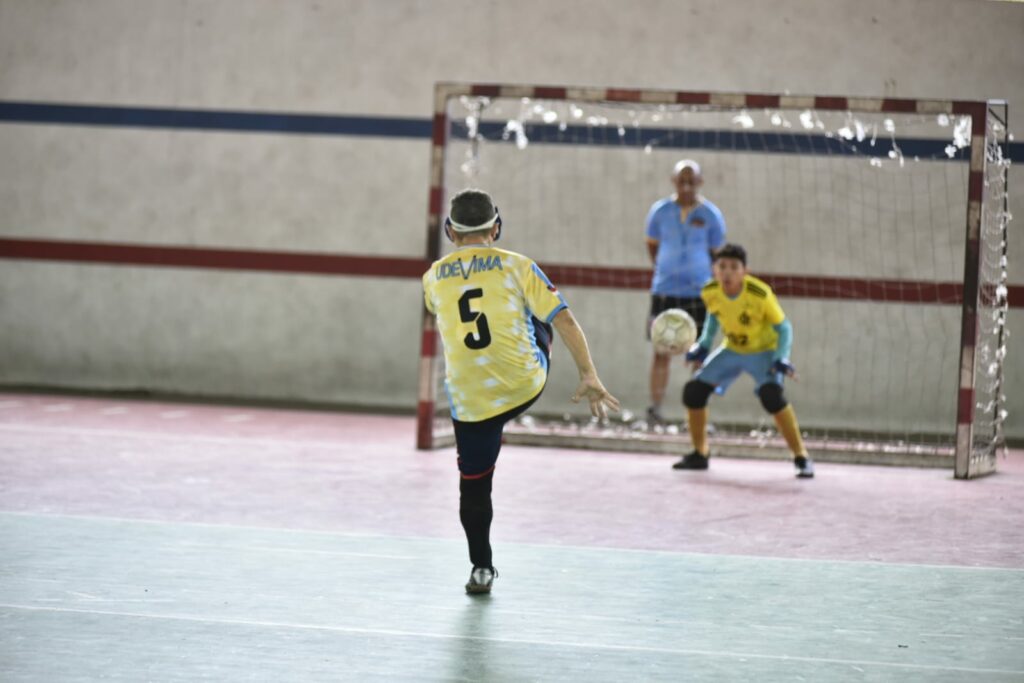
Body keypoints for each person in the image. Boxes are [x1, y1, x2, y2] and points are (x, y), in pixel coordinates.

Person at [422, 189, 619, 594]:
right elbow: (563, 320)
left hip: (470, 399)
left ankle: (481, 568)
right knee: (539, 311)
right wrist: (589, 374)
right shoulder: (518, 266)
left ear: (449, 231)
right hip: (523, 382)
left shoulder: (431, 277)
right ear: (497, 227)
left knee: (474, 485)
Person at [676, 243, 815, 478]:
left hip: (763, 352)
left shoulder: (760, 294)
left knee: (772, 397)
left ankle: (801, 456)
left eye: (733, 267)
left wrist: (781, 357)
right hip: (732, 350)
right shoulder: (710, 291)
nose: (727, 272)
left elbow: (784, 328)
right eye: (722, 266)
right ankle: (700, 454)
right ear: (714, 269)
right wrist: (703, 346)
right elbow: (713, 319)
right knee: (693, 392)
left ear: (744, 271)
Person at [645, 159, 727, 425]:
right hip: (665, 291)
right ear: (674, 181)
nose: (687, 186)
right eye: (682, 181)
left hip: (698, 293)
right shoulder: (659, 212)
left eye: (692, 181)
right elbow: (653, 247)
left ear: (700, 182)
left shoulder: (711, 215)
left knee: (699, 352)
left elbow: (717, 255)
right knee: (661, 350)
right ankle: (655, 410)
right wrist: (668, 269)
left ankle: (697, 412)